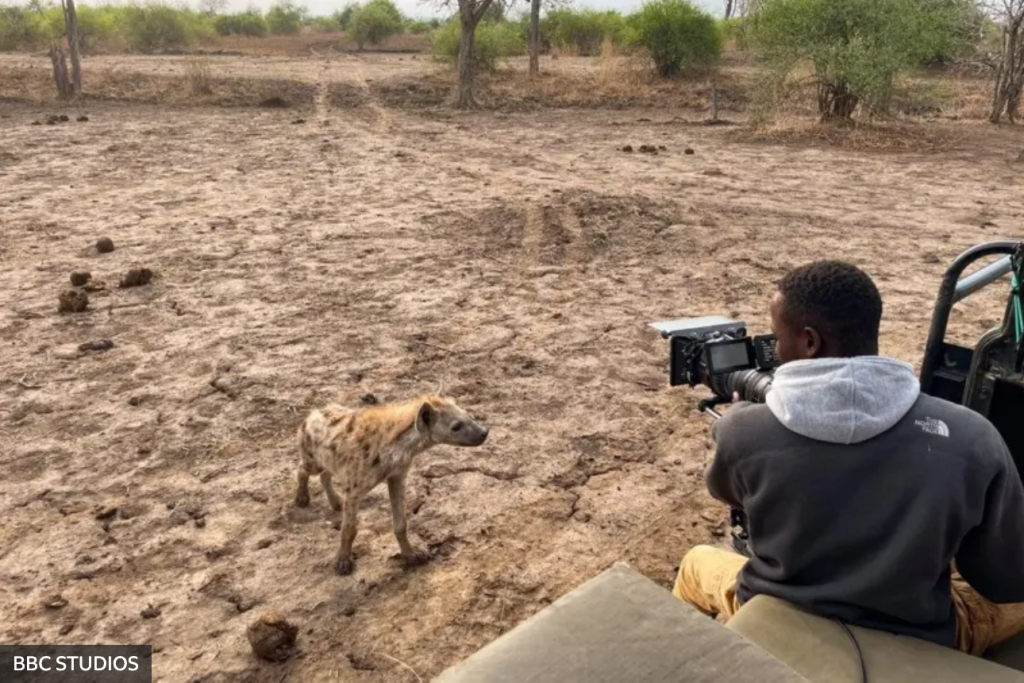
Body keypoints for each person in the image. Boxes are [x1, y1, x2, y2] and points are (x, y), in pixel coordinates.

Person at [672, 259, 1024, 656]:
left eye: (776, 338)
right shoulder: (973, 437)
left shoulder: (741, 432)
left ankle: (688, 663)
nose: (774, 351)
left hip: (777, 610)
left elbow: (727, 492)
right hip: (918, 633)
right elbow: (1005, 582)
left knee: (697, 563)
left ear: (809, 342)